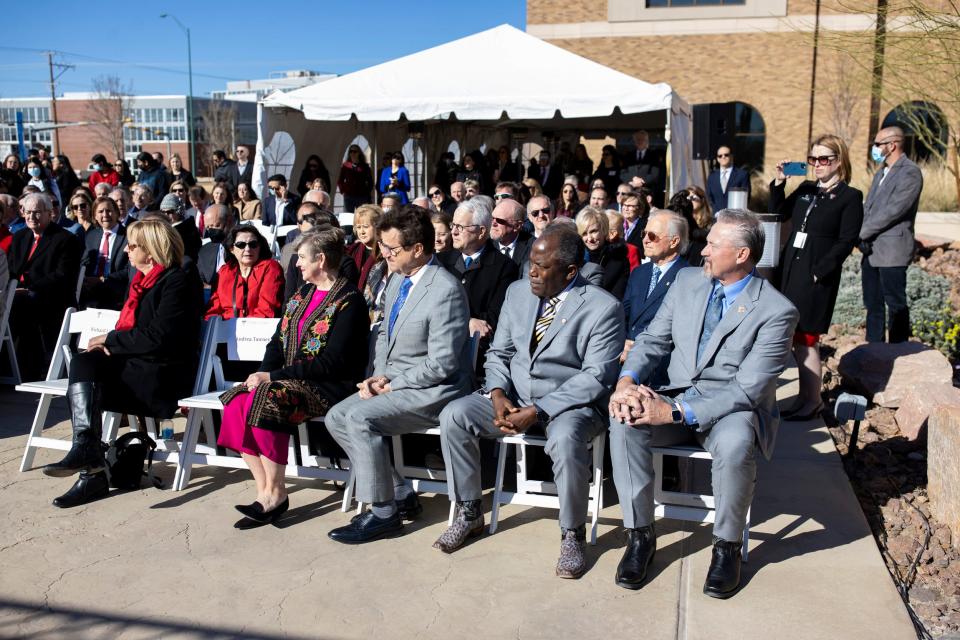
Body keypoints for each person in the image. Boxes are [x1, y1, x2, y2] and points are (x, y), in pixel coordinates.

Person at [608, 209, 798, 597]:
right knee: (624, 420)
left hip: (730, 409)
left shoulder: (777, 311)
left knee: (735, 442)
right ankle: (640, 535)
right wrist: (627, 382)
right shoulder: (686, 282)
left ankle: (727, 547)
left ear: (742, 254)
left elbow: (748, 389)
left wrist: (673, 412)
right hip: (677, 393)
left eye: (713, 244)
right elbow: (653, 340)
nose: (704, 250)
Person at [435, 223, 624, 578]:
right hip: (514, 394)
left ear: (570, 271)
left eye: (541, 267)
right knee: (454, 415)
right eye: (530, 265)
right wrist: (496, 393)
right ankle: (470, 512)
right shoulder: (518, 293)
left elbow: (596, 376)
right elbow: (499, 353)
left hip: (571, 404)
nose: (532, 273)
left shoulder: (603, 308)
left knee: (566, 439)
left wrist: (539, 410)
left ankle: (572, 534)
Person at [324, 205, 473, 543]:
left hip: (436, 390)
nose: (384, 254)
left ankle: (383, 513)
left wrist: (391, 383)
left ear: (417, 249)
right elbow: (383, 338)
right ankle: (399, 490)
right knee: (336, 416)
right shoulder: (396, 279)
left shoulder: (445, 290)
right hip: (394, 384)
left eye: (391, 248)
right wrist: (374, 379)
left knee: (359, 419)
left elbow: (443, 363)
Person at [41, 218, 203, 508]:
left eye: (132, 245)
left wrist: (111, 341)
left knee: (89, 372)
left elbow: (158, 337)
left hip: (163, 375)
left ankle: (91, 470)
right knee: (83, 363)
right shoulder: (140, 281)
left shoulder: (177, 280)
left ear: (151, 251)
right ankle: (88, 454)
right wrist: (111, 346)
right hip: (137, 365)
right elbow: (137, 334)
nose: (126, 250)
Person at [221, 227, 371, 528]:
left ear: (322, 259)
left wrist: (272, 377)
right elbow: (277, 343)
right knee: (237, 399)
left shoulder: (349, 300)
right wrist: (260, 373)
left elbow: (332, 362)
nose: (297, 264)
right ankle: (265, 491)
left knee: (269, 397)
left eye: (302, 257)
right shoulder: (302, 293)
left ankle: (275, 493)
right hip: (291, 379)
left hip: (330, 385)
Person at [769, 135, 863, 419]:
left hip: (815, 276)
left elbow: (846, 241)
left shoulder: (850, 197)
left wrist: (818, 272)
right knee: (794, 338)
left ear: (839, 161)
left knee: (807, 338)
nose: (818, 164)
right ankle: (804, 397)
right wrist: (779, 182)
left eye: (824, 159)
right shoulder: (807, 188)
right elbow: (779, 211)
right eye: (813, 159)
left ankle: (813, 401)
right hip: (790, 270)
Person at [860, 125, 924, 345]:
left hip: (893, 251)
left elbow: (894, 211)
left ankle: (898, 350)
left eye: (877, 144)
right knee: (873, 303)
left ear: (892, 145)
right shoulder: (881, 172)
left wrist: (862, 232)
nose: (874, 149)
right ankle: (874, 350)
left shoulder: (910, 172)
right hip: (870, 250)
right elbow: (870, 207)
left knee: (895, 303)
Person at [7, 193, 83, 379]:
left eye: (37, 212)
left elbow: (62, 275)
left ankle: (26, 369)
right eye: (28, 212)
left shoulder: (65, 239)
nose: (32, 217)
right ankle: (8, 366)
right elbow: (10, 269)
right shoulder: (19, 237)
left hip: (50, 297)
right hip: (18, 294)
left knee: (19, 306)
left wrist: (30, 288)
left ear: (50, 213)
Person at [438, 198, 519, 372]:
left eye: (461, 227)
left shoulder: (504, 267)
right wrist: (466, 321)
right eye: (453, 225)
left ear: (481, 231)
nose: (453, 232)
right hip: (437, 349)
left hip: (476, 361)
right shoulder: (441, 262)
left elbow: (494, 318)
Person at [621, 210, 690, 373]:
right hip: (625, 358)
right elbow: (624, 314)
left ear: (674, 241)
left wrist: (639, 348)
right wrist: (621, 343)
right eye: (644, 234)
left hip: (660, 365)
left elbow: (681, 332)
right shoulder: (639, 272)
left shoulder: (688, 278)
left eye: (652, 236)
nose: (645, 240)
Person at [205, 226, 284, 320]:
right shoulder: (224, 272)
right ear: (231, 249)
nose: (247, 249)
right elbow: (213, 310)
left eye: (253, 244)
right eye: (241, 245)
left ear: (260, 247)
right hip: (225, 329)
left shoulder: (271, 268)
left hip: (259, 329)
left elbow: (267, 310)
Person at [79, 196, 130, 310]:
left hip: (116, 292)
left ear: (117, 213)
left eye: (109, 211)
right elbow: (84, 262)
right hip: (91, 292)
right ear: (95, 216)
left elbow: (130, 270)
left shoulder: (128, 235)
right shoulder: (91, 236)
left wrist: (103, 279)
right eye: (101, 211)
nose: (105, 215)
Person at [576, 206, 629, 298]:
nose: (589, 238)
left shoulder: (618, 259)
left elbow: (617, 297)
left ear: (604, 230)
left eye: (593, 231)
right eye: (584, 233)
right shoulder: (576, 258)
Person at [621, 130, 665, 207]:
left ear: (647, 141)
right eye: (638, 139)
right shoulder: (628, 155)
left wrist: (641, 182)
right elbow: (622, 173)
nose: (640, 141)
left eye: (642, 139)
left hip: (647, 192)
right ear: (634, 141)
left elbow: (655, 174)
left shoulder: (654, 155)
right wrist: (632, 181)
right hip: (631, 191)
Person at [345, 204, 383, 292]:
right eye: (358, 227)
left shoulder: (385, 252)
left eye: (366, 227)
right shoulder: (351, 251)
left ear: (378, 227)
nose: (362, 232)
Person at [197, 204, 236, 286]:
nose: (212, 230)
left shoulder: (245, 248)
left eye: (217, 225)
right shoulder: (204, 251)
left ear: (229, 222)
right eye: (208, 227)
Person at [159, 193, 201, 262]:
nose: (166, 215)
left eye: (170, 212)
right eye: (163, 212)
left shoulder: (186, 229)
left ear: (179, 212)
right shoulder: (167, 228)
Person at [707, 146, 751, 213]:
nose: (723, 157)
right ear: (717, 159)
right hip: (717, 217)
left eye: (726, 155)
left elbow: (745, 197)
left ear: (731, 156)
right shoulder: (712, 176)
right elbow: (709, 197)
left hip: (735, 217)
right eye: (720, 156)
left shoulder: (742, 175)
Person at [490, 198, 532, 267]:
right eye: (492, 218)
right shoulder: (484, 245)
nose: (493, 223)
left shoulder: (533, 247)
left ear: (517, 226)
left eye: (500, 220)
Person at [337, 145, 374, 213]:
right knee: (348, 217)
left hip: (362, 196)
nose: (352, 153)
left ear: (359, 153)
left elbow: (370, 182)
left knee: (362, 215)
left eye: (355, 151)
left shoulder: (365, 167)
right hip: (349, 196)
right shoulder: (346, 166)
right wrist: (343, 190)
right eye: (350, 151)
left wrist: (366, 191)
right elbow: (340, 180)